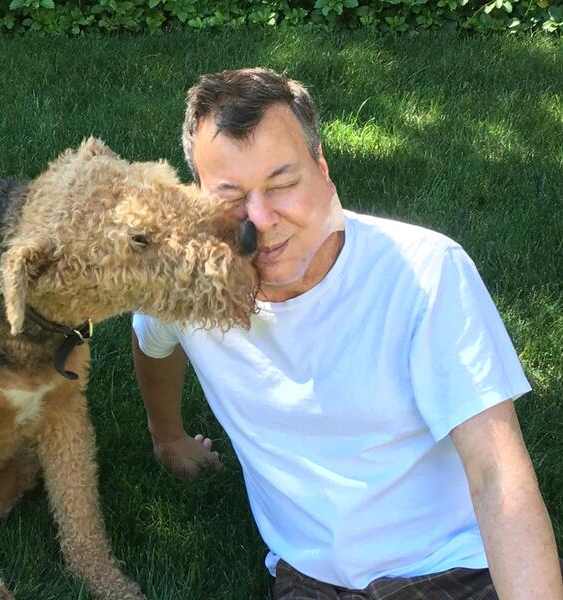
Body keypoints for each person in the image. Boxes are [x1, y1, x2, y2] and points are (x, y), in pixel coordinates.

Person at [131, 67, 563, 599]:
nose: (260, 218)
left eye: (283, 184)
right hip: (312, 579)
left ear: (323, 172)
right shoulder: (186, 287)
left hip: (452, 567)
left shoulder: (424, 271)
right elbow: (151, 339)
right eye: (230, 197)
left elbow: (498, 472)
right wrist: (167, 436)